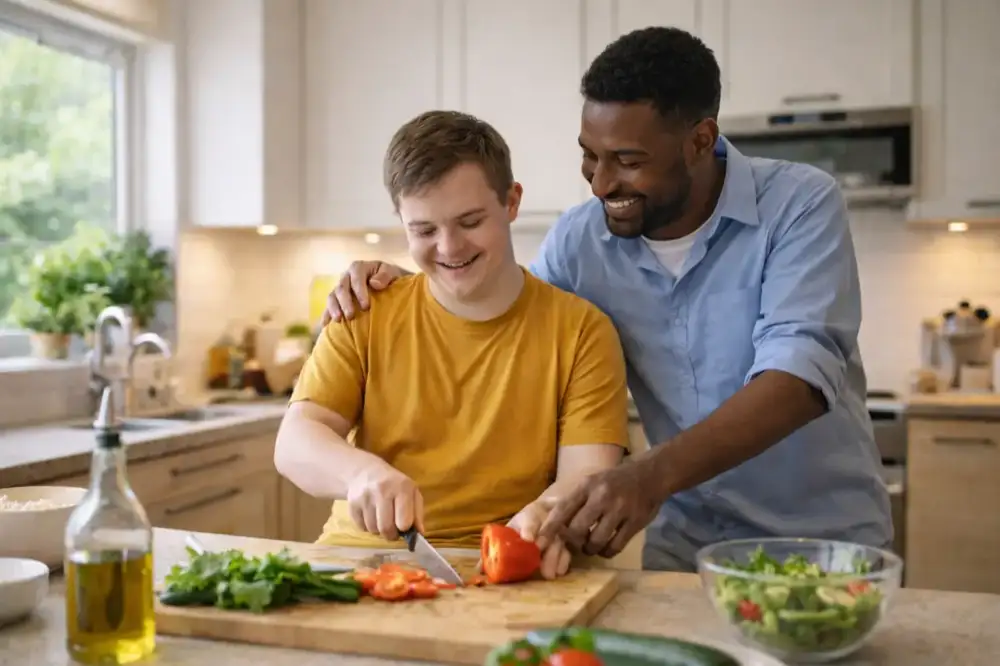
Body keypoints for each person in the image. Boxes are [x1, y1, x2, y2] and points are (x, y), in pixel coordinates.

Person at [320, 26, 894, 572]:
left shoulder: (799, 204)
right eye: (590, 155)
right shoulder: (580, 238)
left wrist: (648, 475)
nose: (599, 184)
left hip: (821, 540)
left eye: (628, 160)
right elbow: (510, 307)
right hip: (686, 547)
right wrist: (419, 275)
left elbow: (798, 375)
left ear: (700, 140)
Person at [275, 109, 631, 579]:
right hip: (360, 561)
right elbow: (295, 442)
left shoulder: (582, 331)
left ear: (511, 202)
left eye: (469, 221)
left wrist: (549, 513)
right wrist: (360, 473)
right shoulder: (364, 311)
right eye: (423, 230)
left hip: (512, 565)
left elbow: (584, 476)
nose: (448, 247)